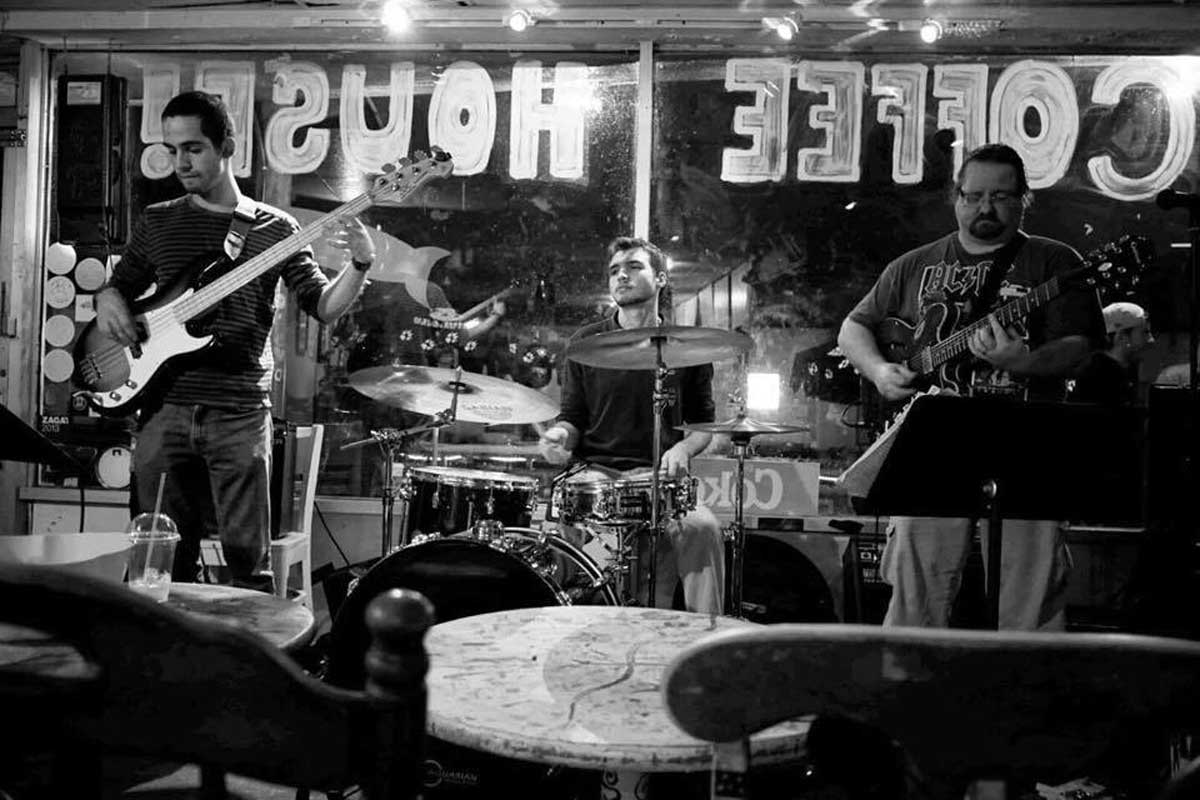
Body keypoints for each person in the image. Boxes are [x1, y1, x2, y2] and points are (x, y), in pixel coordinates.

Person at [95, 90, 376, 591]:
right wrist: (107, 299)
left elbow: (323, 305)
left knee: (250, 564)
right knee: (158, 560)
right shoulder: (159, 220)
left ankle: (250, 664)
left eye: (194, 148)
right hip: (164, 407)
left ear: (227, 147)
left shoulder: (276, 229)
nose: (180, 162)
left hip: (240, 413)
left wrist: (359, 264)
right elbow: (121, 285)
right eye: (172, 149)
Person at [837, 143, 1105, 630]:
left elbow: (1080, 346)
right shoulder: (913, 265)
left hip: (1030, 444)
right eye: (975, 195)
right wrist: (879, 370)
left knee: (1031, 591)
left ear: (1025, 199)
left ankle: (1022, 697)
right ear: (956, 198)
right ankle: (909, 689)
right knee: (917, 588)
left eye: (1001, 196)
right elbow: (853, 328)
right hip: (932, 442)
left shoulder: (1055, 263)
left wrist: (1023, 361)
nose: (986, 207)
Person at [537, 236, 725, 614]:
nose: (621, 276)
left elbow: (704, 423)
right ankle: (562, 624)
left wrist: (683, 449)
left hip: (661, 476)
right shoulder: (588, 341)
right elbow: (572, 416)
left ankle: (709, 643)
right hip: (596, 473)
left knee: (704, 530)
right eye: (614, 271)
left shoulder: (688, 346)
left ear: (660, 279)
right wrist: (560, 436)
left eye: (634, 267)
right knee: (551, 527)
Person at [1069, 301, 1153, 405]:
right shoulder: (1098, 376)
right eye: (1145, 332)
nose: (1151, 339)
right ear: (1121, 337)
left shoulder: (1126, 368)